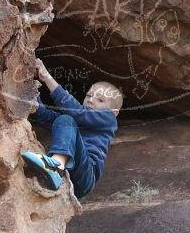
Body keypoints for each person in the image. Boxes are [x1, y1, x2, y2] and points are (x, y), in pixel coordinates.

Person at [22, 59, 122, 198]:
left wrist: (46, 77)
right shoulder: (76, 123)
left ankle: (55, 166)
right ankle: (56, 168)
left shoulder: (109, 120)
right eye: (88, 95)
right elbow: (48, 118)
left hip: (85, 176)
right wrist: (32, 98)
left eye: (100, 100)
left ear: (114, 112)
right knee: (63, 121)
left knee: (66, 119)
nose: (91, 100)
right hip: (71, 175)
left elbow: (75, 111)